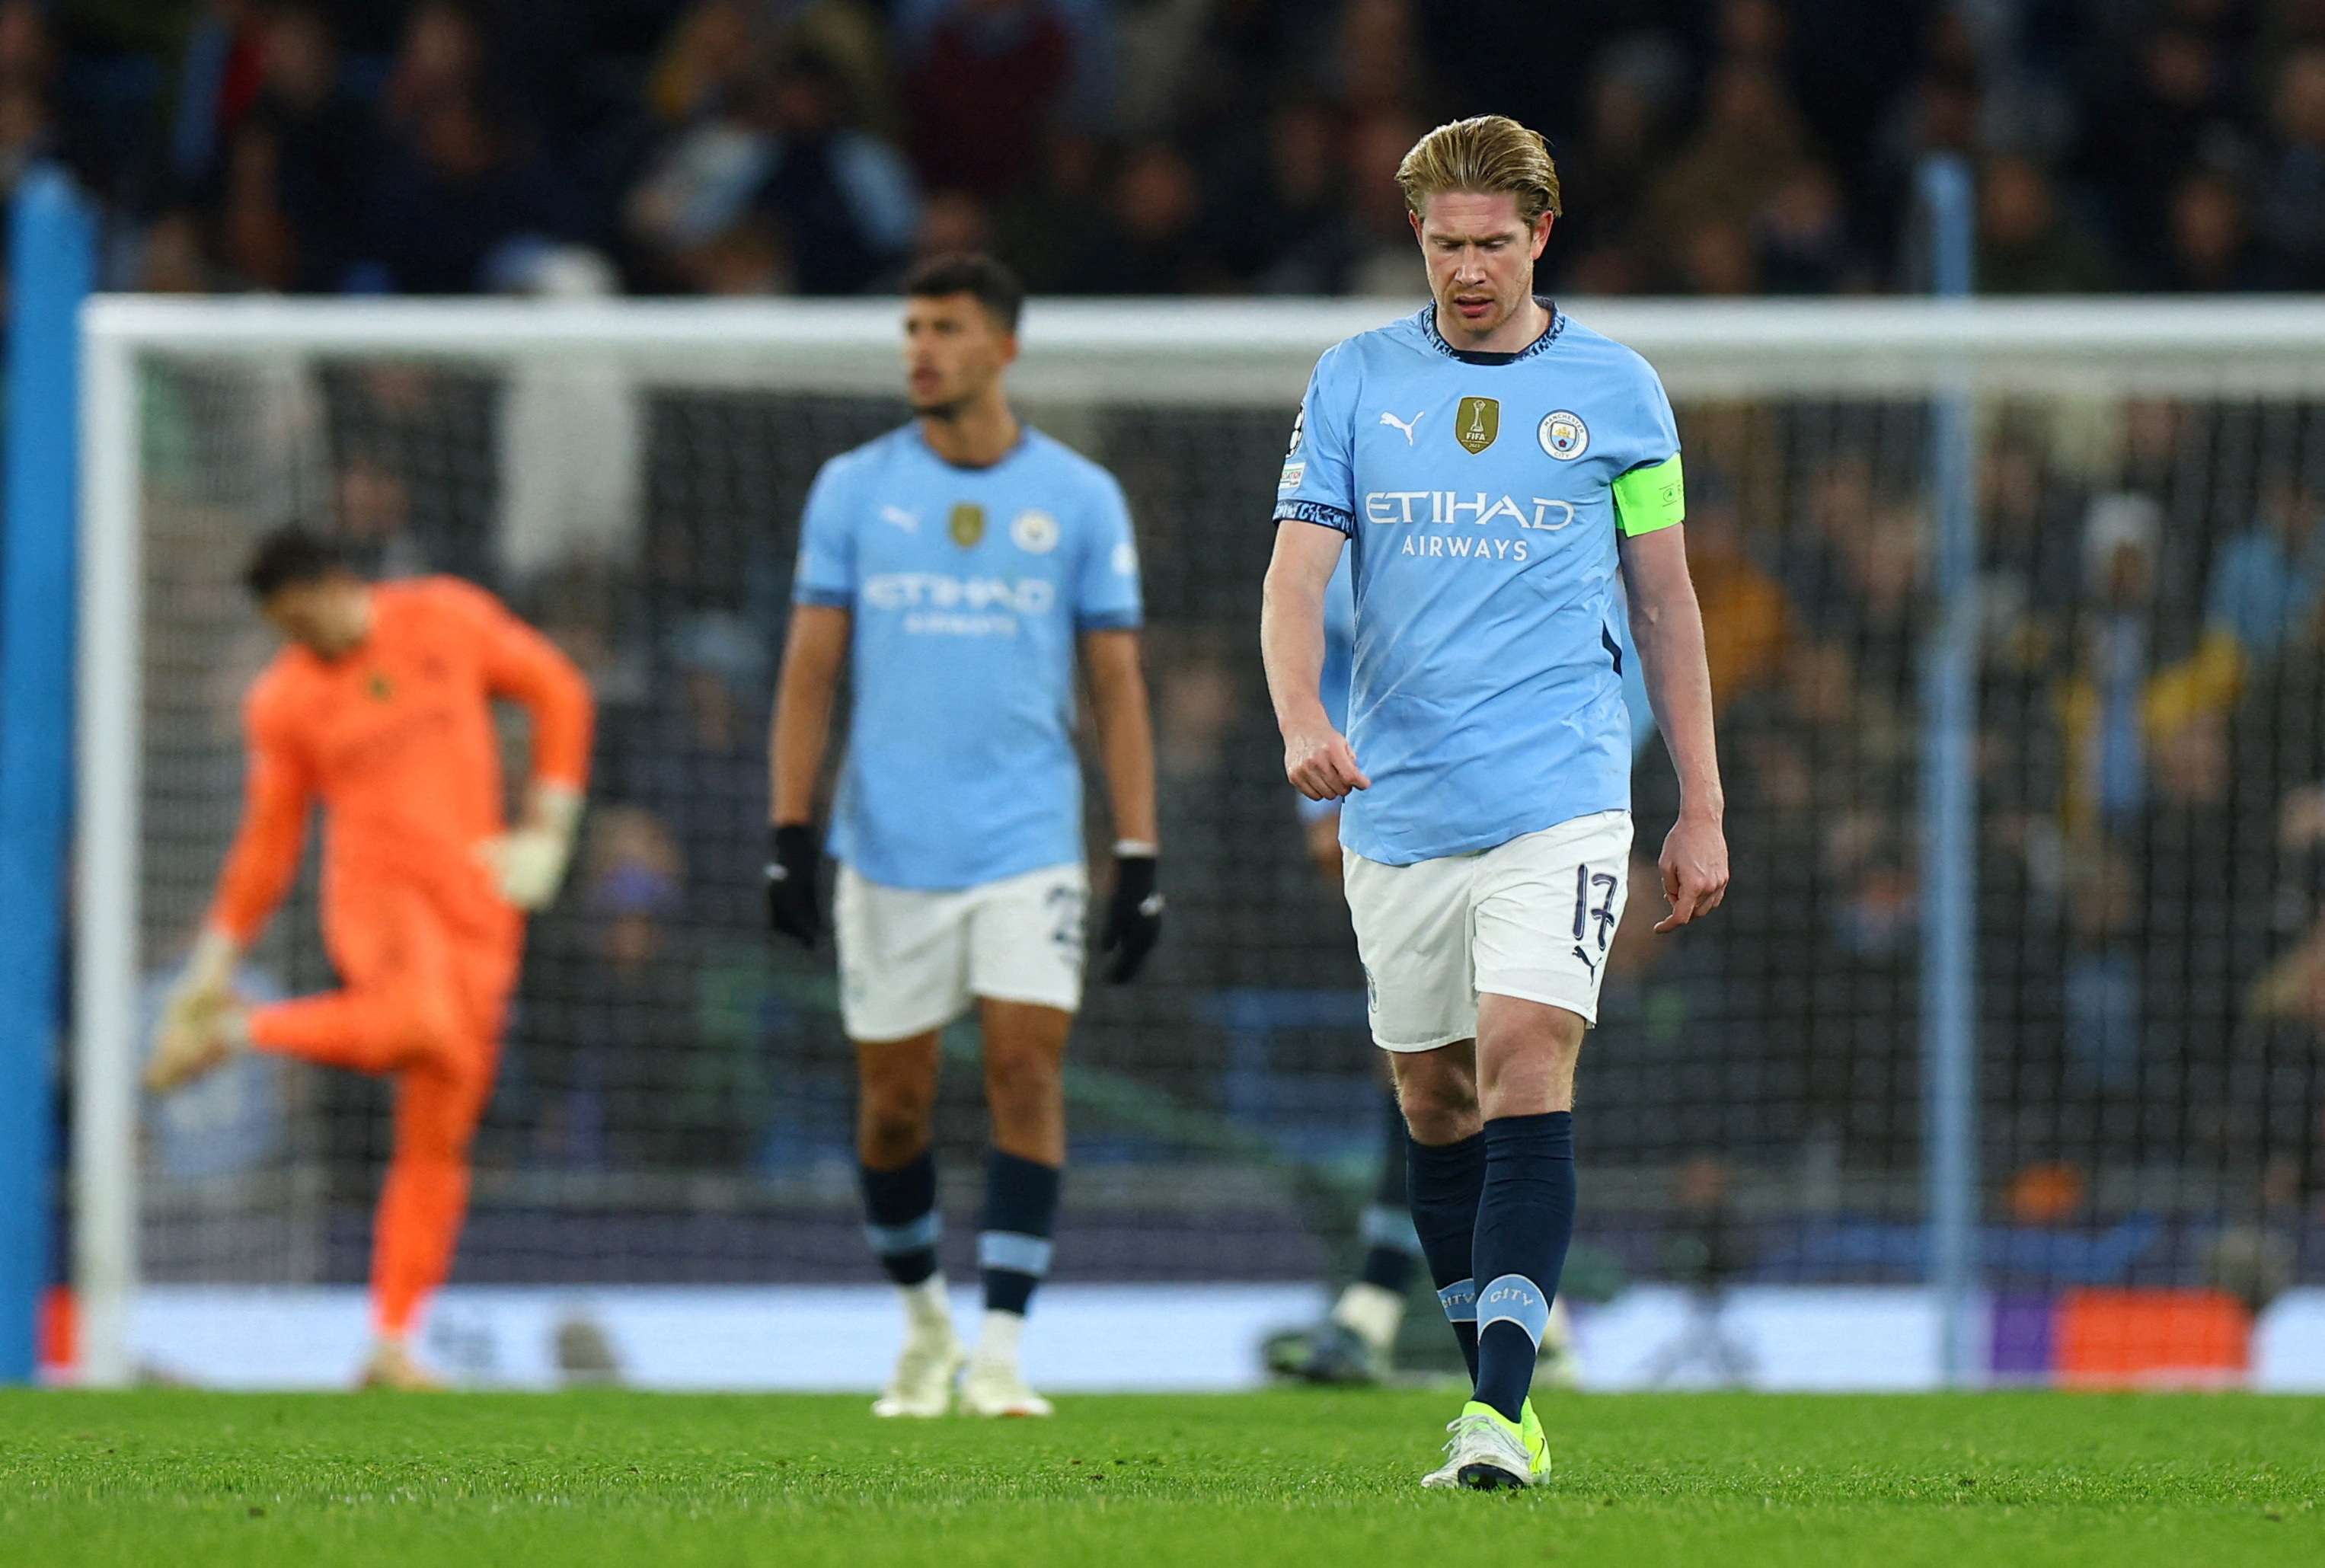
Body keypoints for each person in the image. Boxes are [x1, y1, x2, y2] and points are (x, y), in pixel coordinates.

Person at [1260, 115, 1727, 1490]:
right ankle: (1490, 1382)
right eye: (1443, 243)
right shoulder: (1352, 380)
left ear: (1540, 234)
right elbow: (1294, 580)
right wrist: (1301, 719)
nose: (1466, 269)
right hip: (1397, 802)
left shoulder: (1619, 390)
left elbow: (1664, 601)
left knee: (1527, 1051)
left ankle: (1499, 1411)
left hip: (1561, 787)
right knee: (1432, 1093)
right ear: (1418, 239)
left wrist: (1693, 803)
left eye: (1491, 243)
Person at [766, 252, 1161, 1419]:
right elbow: (805, 674)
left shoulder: (1080, 497)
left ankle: (1000, 1349)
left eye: (944, 326)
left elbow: (1120, 688)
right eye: (910, 327)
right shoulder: (851, 488)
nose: (919, 349)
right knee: (893, 1099)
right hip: (885, 843)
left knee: (1024, 1066)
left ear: (1003, 347)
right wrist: (788, 830)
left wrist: (1136, 850)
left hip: (1028, 836)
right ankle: (922, 1323)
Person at [145, 527, 595, 1389]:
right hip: (380, 902)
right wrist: (213, 964)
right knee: (418, 1026)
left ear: (336, 583)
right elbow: (267, 846)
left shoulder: (444, 618)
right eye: (282, 629)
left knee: (440, 1129)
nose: (297, 641)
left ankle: (391, 1341)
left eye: (300, 617)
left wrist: (552, 827)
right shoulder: (283, 703)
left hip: (480, 904)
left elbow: (559, 689)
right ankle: (242, 1029)